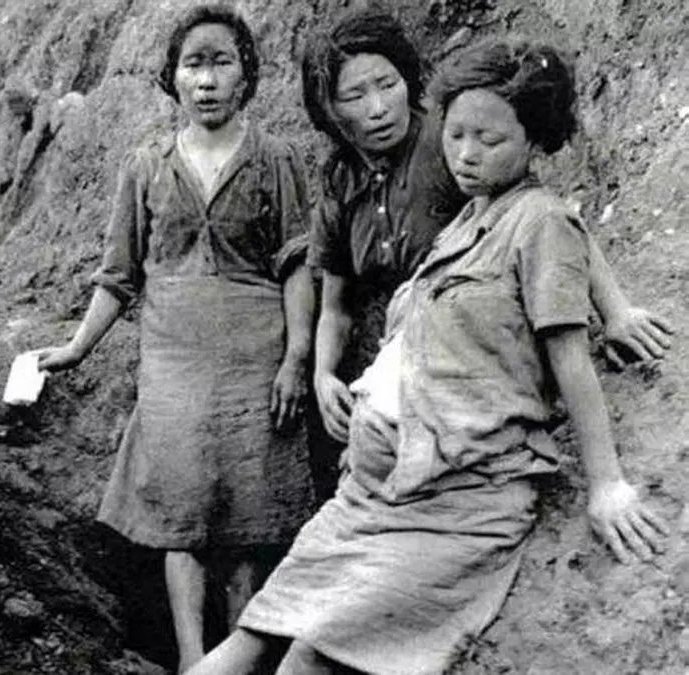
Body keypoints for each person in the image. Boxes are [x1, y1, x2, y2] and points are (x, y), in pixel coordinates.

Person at [187, 39, 670, 675]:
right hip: (371, 497)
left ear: (535, 141)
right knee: (254, 638)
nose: (466, 153)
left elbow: (570, 357)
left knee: (308, 657)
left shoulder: (539, 222)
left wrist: (607, 483)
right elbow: (352, 308)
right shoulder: (465, 219)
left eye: (490, 140)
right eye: (456, 134)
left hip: (456, 503)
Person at [31, 6, 315, 672]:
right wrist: (77, 346)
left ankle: (239, 659)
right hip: (173, 365)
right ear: (173, 77)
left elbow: (298, 264)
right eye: (194, 64)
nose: (207, 80)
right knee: (180, 522)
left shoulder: (277, 159)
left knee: (248, 527)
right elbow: (119, 275)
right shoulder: (145, 165)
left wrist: (297, 359)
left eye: (222, 62)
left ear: (246, 74)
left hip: (254, 361)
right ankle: (191, 660)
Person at [302, 9, 674, 458]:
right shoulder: (340, 179)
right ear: (329, 109)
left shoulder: (453, 139)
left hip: (481, 344)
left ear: (408, 78)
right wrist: (323, 375)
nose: (378, 108)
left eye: (388, 84)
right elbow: (336, 305)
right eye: (355, 95)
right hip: (405, 354)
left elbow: (547, 219)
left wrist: (616, 311)